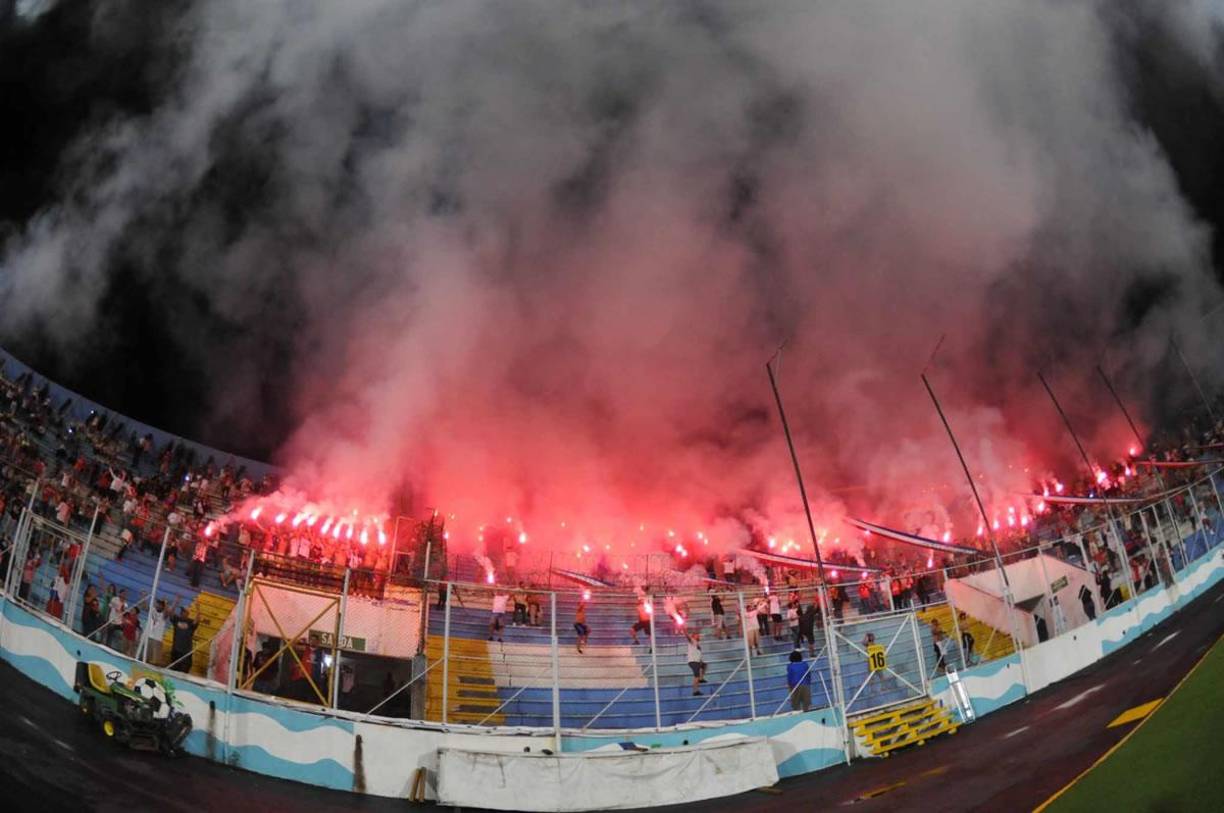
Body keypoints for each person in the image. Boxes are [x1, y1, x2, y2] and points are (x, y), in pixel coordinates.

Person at [169, 603, 200, 672]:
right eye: (181, 611)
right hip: (176, 650)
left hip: (186, 651)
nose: (181, 613)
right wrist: (176, 602)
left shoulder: (190, 622)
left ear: (187, 613)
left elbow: (197, 620)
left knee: (184, 670)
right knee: (173, 668)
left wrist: (198, 609)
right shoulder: (177, 619)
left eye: (184, 611)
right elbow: (170, 613)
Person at [146, 598, 169, 665]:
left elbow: (166, 613)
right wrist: (144, 597)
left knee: (156, 660)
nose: (157, 605)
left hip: (158, 638)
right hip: (150, 635)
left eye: (159, 604)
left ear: (162, 606)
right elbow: (145, 607)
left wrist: (166, 604)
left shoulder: (163, 614)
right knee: (147, 657)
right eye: (157, 604)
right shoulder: (153, 610)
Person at [686, 631, 707, 696]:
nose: (698, 636)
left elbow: (699, 654)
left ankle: (701, 678)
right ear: (693, 636)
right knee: (696, 676)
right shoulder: (692, 641)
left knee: (704, 665)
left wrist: (701, 662)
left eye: (698, 635)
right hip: (693, 661)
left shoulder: (697, 644)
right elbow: (687, 637)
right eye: (697, 635)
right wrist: (683, 628)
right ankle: (695, 691)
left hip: (697, 661)